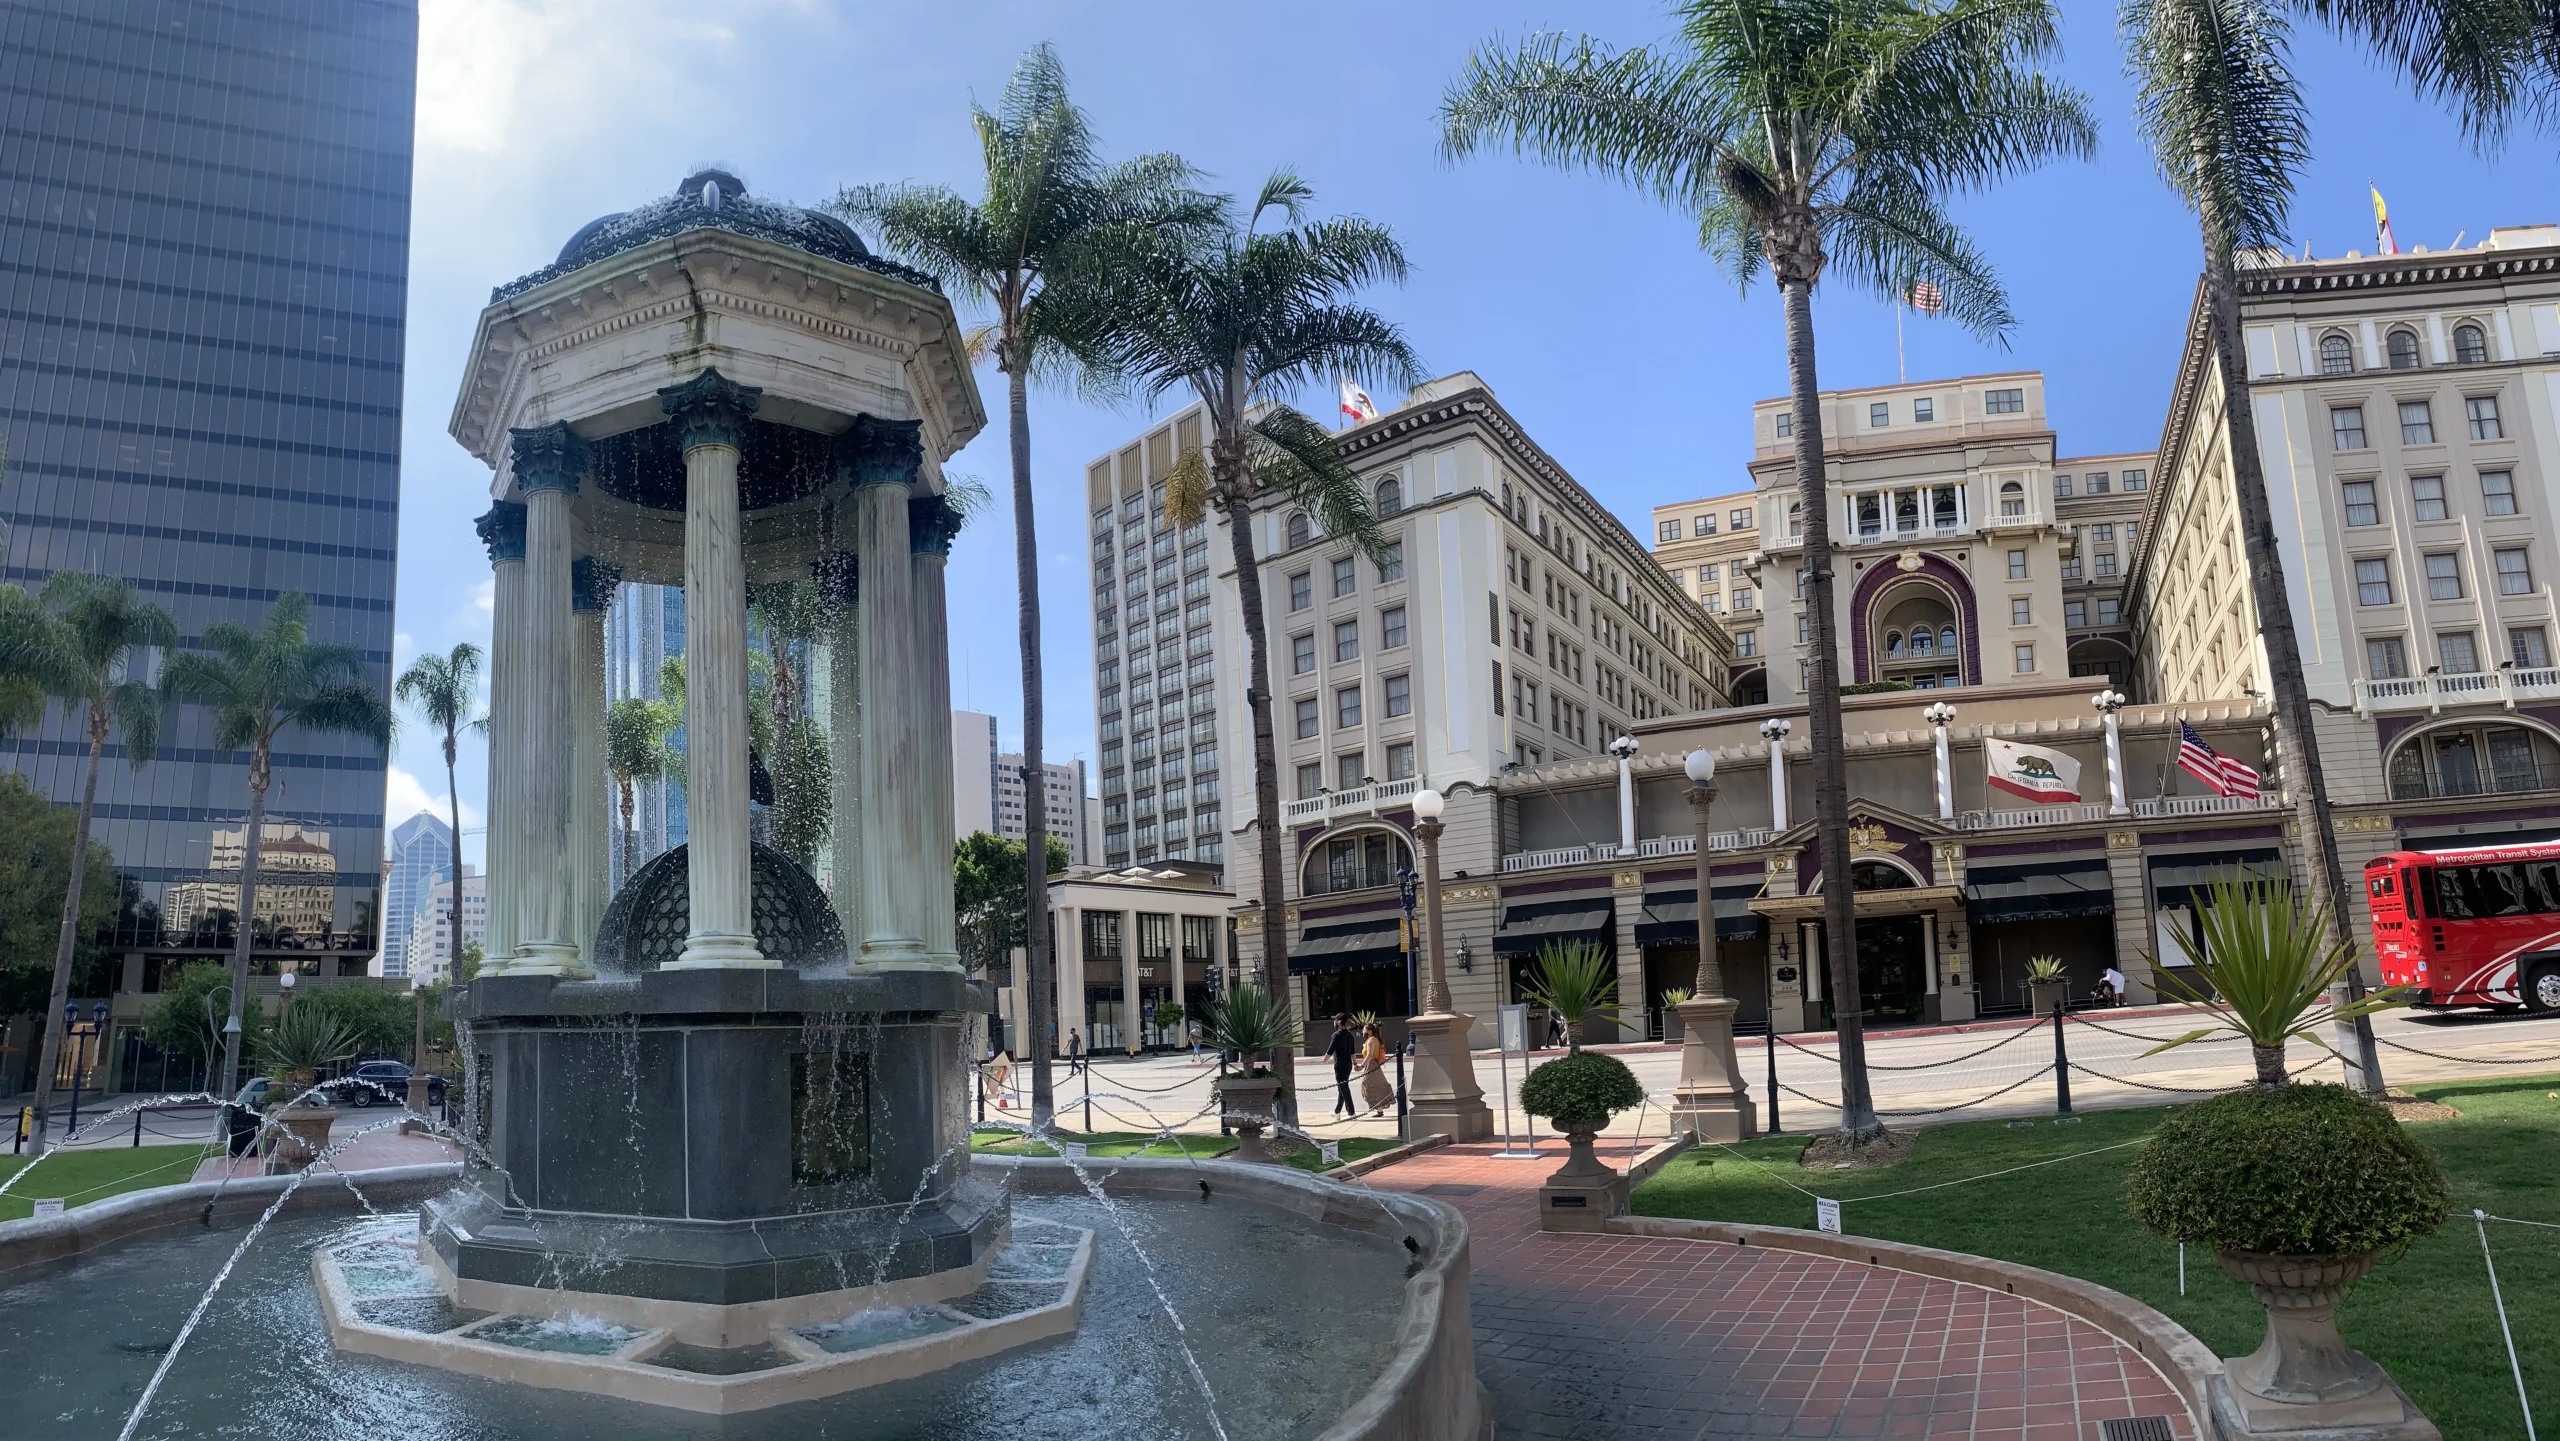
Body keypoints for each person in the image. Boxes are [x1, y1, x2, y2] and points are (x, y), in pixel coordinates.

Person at [1356, 1022, 1394, 1117]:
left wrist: (1361, 1066)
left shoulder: (1370, 1041)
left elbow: (1369, 1055)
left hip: (1371, 1065)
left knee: (1365, 1085)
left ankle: (1377, 1106)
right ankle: (1379, 1110)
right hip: (1375, 1065)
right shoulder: (1375, 1040)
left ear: (1369, 1031)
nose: (1363, 1031)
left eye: (1364, 1029)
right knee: (1377, 1086)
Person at [1326, 1015, 1359, 1117]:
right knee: (1342, 1088)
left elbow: (1330, 1050)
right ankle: (1337, 1112)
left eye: (1335, 1020)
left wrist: (1324, 1060)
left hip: (1340, 1065)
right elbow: (1353, 1052)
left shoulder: (1336, 1035)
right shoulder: (1349, 1035)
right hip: (1348, 1064)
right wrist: (1354, 1064)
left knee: (1344, 1088)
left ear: (1339, 1022)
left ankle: (1351, 1112)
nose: (1334, 1022)